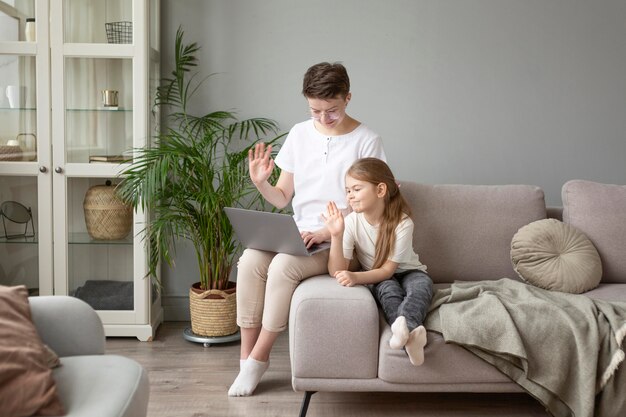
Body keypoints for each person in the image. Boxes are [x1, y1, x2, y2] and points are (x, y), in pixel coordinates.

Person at [228, 62, 386, 396]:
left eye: (332, 111)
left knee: (283, 266)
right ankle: (245, 357)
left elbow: (371, 206)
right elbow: (283, 197)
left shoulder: (367, 141)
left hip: (342, 243)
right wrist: (261, 182)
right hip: (298, 236)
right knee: (251, 259)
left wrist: (328, 232)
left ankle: (260, 357)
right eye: (315, 111)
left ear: (348, 98)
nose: (324, 118)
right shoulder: (300, 134)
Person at [323, 157, 433, 366]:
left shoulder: (402, 222)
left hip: (407, 271)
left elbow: (388, 269)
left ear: (380, 190)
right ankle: (410, 337)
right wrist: (336, 236)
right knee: (388, 291)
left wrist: (356, 277)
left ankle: (405, 330)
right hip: (378, 276)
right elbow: (335, 270)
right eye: (347, 191)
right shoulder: (351, 222)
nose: (350, 197)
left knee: (422, 286)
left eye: (356, 189)